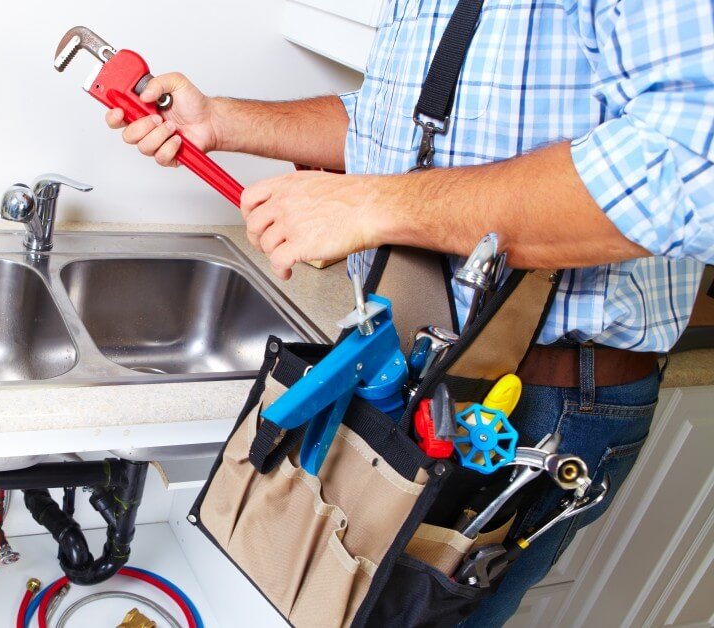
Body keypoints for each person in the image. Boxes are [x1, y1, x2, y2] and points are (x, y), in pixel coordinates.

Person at [103, 0, 713, 624]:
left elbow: (692, 169)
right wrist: (222, 121)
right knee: (331, 601)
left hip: (528, 401)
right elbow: (386, 125)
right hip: (403, 356)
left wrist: (370, 205)